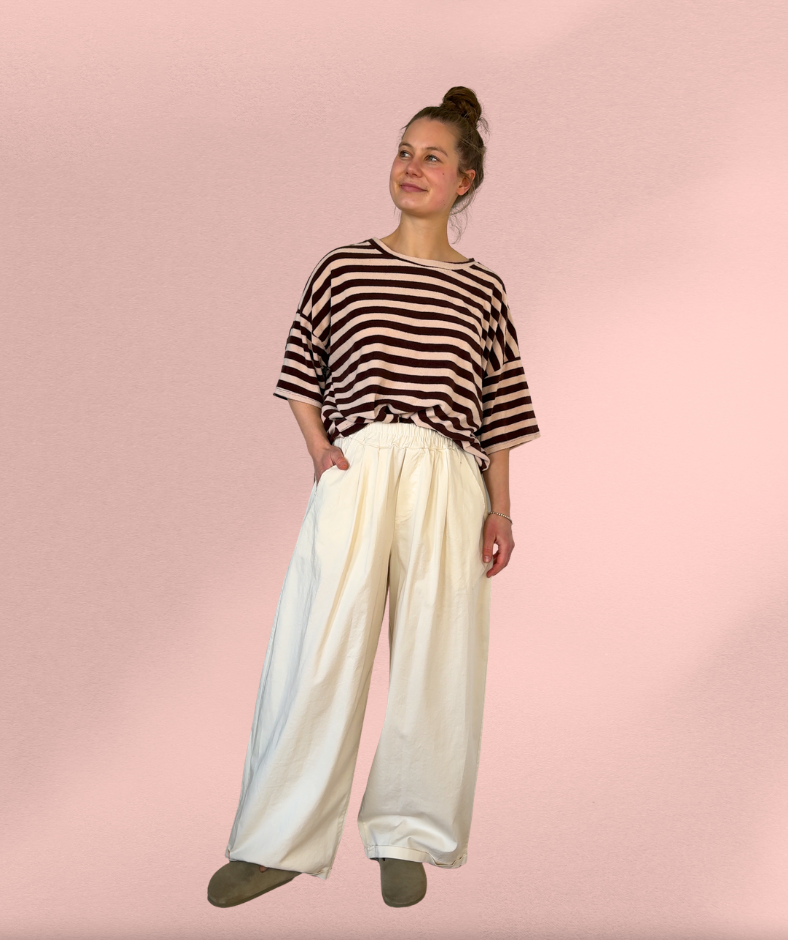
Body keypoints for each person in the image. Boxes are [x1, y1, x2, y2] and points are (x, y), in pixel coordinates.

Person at [207, 85, 541, 910]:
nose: (412, 167)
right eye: (404, 151)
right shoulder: (345, 267)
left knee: (438, 653)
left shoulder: (484, 290)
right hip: (358, 463)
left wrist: (500, 508)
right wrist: (321, 451)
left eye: (433, 157)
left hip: (448, 472)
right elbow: (301, 365)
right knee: (319, 645)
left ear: (465, 181)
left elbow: (501, 408)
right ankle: (278, 839)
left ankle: (409, 833)